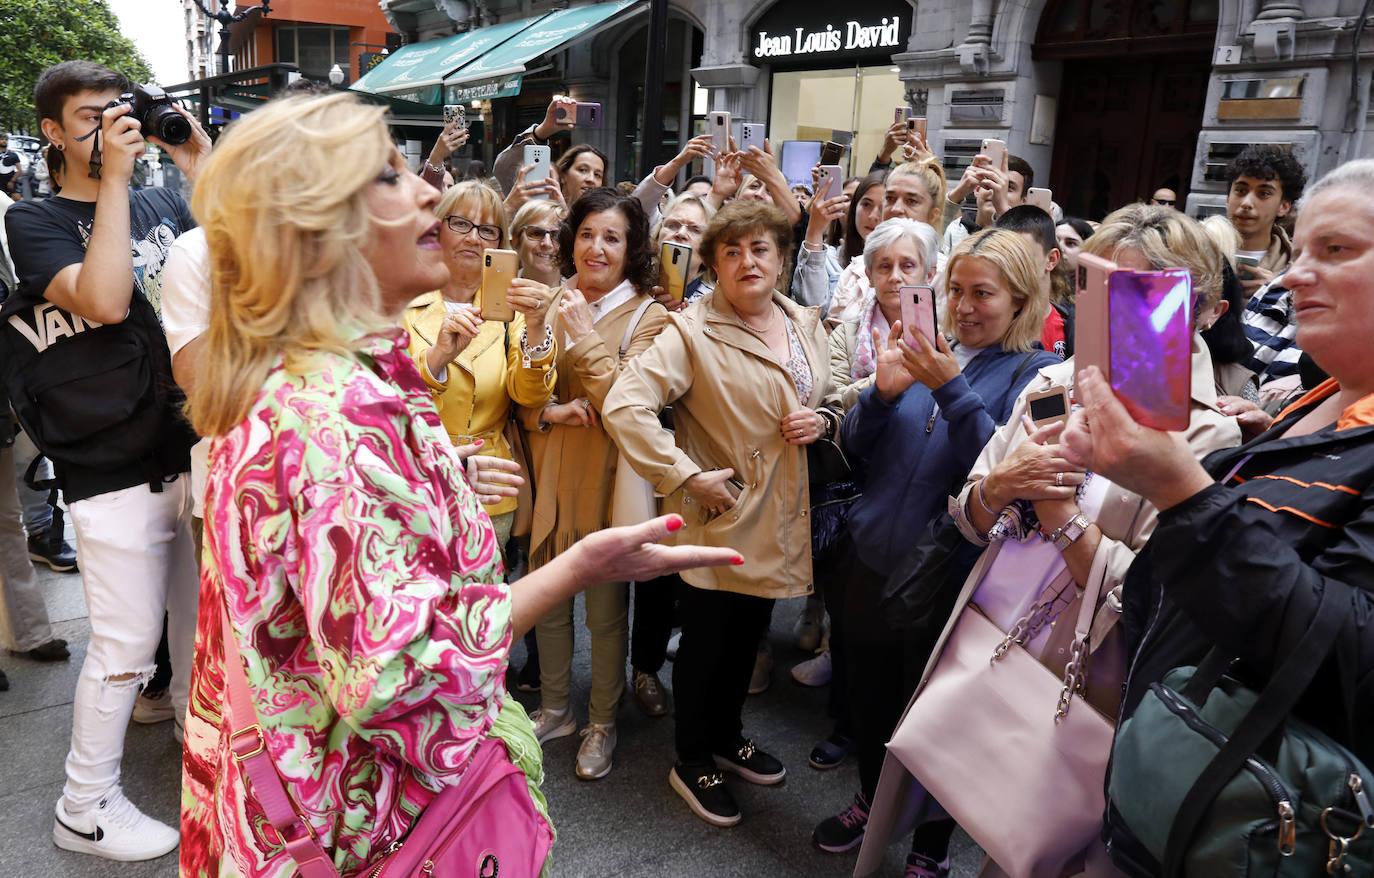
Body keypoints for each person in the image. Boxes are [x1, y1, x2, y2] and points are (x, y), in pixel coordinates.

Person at [177, 92, 736, 878]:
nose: (430, 193)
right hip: (360, 830)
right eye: (388, 176)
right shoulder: (331, 416)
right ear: (315, 230)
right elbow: (400, 672)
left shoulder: (323, 380)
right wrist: (576, 568)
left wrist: (440, 478)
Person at [859, 203, 1241, 876]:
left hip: (1081, 674)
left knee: (1037, 840)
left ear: (1193, 308)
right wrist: (1002, 486)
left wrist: (1061, 515)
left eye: (1133, 294)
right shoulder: (1053, 383)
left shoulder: (1208, 434)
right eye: (1094, 289)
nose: (1106, 314)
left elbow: (1158, 599)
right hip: (984, 629)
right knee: (945, 769)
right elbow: (969, 514)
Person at [1065, 161, 1374, 861]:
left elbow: (1350, 659)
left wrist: (1184, 490)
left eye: (1338, 251)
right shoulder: (1307, 403)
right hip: (1182, 771)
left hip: (1260, 821)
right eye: (1300, 252)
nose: (1295, 275)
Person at [1, 60, 207, 861]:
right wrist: (117, 180)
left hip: (186, 443)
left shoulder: (163, 195)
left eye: (119, 113)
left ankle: (206, 746)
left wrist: (190, 154)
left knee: (196, 629)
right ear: (51, 131)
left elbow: (254, 220)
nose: (110, 129)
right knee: (123, 646)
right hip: (108, 464)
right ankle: (83, 805)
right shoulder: (34, 221)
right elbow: (108, 299)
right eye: (90, 118)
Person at [816, 228, 1059, 873]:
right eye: (955, 289)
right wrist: (883, 392)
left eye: (983, 293)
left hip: (951, 575)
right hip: (869, 558)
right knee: (869, 700)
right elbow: (862, 449)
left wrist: (952, 386)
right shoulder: (925, 348)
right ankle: (872, 796)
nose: (965, 305)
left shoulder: (1035, 373)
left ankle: (930, 848)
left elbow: (1000, 471)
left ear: (1021, 300)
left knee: (940, 721)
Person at [604, 198, 834, 827]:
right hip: (723, 514)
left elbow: (832, 391)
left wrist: (826, 418)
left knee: (746, 641)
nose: (747, 261)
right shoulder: (692, 330)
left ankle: (728, 735)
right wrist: (685, 473)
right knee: (707, 645)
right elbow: (625, 406)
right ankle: (691, 758)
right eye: (730, 252)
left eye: (760, 249)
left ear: (782, 260)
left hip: (782, 515)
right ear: (713, 264)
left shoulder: (801, 320)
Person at [520, 187, 668, 780]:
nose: (596, 248)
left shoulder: (651, 317)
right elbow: (521, 395)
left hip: (610, 477)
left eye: (612, 237)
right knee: (548, 600)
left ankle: (601, 720)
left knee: (606, 612)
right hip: (551, 467)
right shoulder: (551, 300)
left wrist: (581, 337)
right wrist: (543, 409)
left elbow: (631, 408)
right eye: (586, 234)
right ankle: (556, 708)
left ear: (632, 248)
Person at [402, 180, 558, 555]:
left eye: (487, 229)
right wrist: (437, 358)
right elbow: (384, 397)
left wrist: (536, 326)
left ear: (499, 244)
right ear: (437, 228)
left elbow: (530, 394)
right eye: (461, 224)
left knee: (482, 601)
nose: (474, 238)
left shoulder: (508, 312)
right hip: (413, 475)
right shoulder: (402, 301)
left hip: (489, 483)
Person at [793, 170, 884, 311]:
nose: (873, 216)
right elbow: (814, 308)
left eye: (883, 207)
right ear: (854, 208)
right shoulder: (830, 256)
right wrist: (814, 229)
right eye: (866, 204)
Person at [1225, 144, 1306, 296]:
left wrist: (1278, 292)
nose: (1246, 203)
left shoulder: (1299, 269)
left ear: (1284, 206)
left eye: (1264, 193)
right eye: (1240, 191)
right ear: (1228, 199)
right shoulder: (1191, 251)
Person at [996, 205, 1071, 357]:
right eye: (1004, 258)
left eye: (1024, 257)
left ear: (1051, 259)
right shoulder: (988, 322)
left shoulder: (1073, 328)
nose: (1012, 267)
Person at [941, 151, 1033, 256]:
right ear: (977, 189)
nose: (996, 190)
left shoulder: (1027, 242)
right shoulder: (951, 229)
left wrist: (1002, 211)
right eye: (989, 183)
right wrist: (956, 195)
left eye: (1008, 188)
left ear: (1024, 201)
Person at [651, 191, 715, 308]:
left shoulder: (716, 304)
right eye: (672, 225)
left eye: (695, 230)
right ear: (657, 235)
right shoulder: (631, 286)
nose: (681, 233)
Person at [510, 198, 568, 289]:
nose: (547, 243)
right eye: (536, 233)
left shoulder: (580, 297)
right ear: (516, 241)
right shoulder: (496, 290)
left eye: (556, 235)